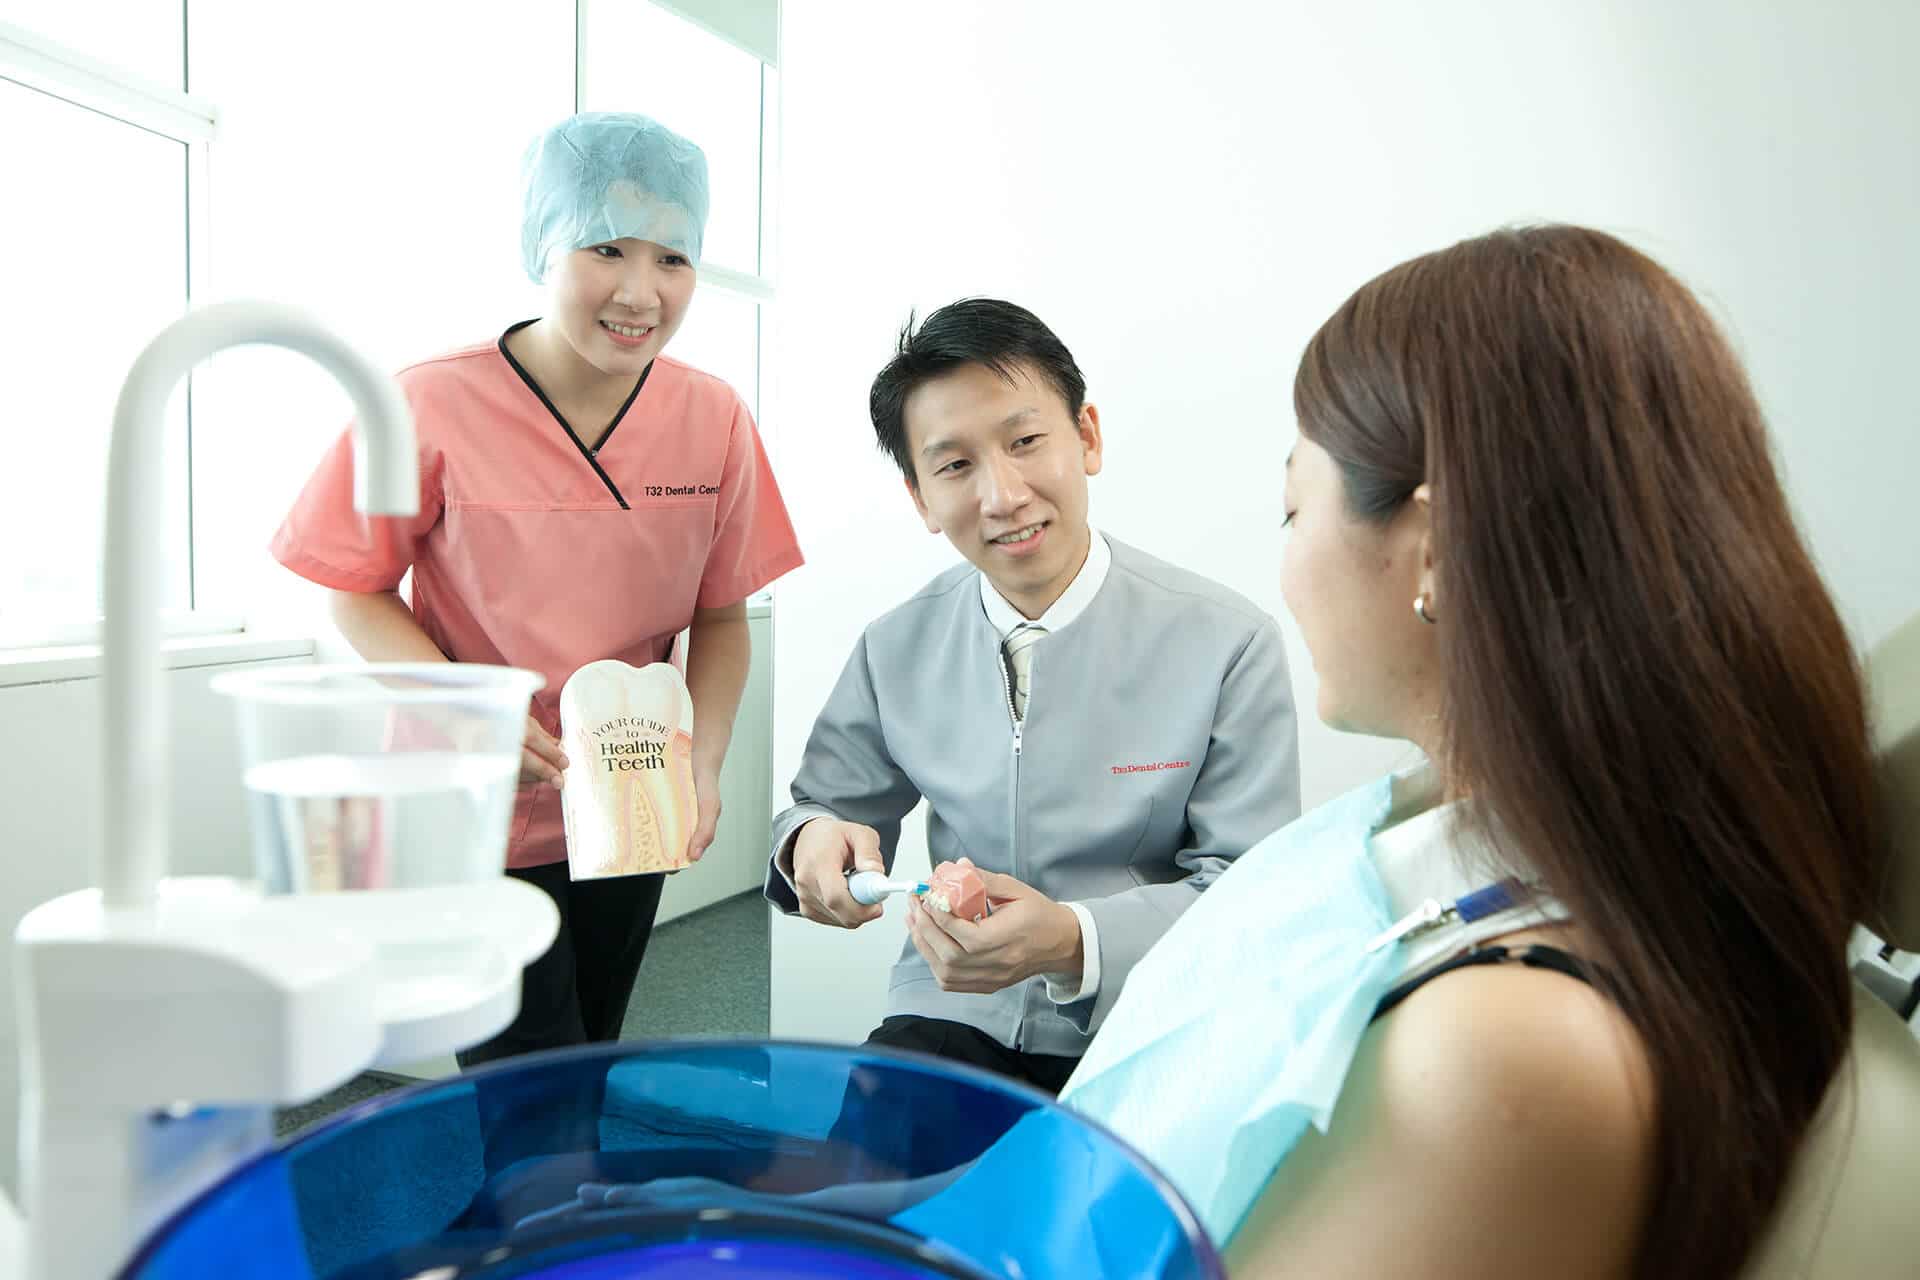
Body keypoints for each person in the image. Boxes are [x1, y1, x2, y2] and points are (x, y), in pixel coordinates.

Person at [1067, 224, 1884, 1278]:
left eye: (1290, 505)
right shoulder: (1450, 837)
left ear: (1439, 547)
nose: (1283, 564)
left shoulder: (1503, 1054)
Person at [272, 112, 803, 1067]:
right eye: (606, 247)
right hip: (473, 795)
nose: (641, 291)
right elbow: (352, 587)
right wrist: (462, 705)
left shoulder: (712, 416)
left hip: (632, 787)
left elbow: (722, 616)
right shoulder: (427, 401)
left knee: (590, 1052)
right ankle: (544, 1213)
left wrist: (706, 761)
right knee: (525, 1080)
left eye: (673, 259)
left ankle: (563, 1215)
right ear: (541, 244)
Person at [765, 298, 1302, 1094]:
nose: (1003, 495)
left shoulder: (1228, 641)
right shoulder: (896, 645)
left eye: (1024, 442)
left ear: (1086, 436)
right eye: (955, 466)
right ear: (919, 497)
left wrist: (1071, 938)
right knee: (876, 1199)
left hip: (1151, 1012)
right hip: (951, 1009)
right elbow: (826, 806)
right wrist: (810, 840)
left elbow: (1248, 895)